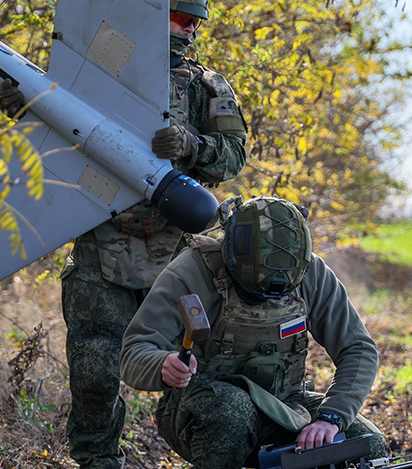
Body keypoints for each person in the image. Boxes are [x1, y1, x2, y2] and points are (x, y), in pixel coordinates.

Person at [0, 0, 248, 469]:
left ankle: (211, 451)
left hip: (176, 257)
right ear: (152, 13)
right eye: (179, 18)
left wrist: (193, 145)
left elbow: (233, 155)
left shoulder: (205, 86)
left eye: (194, 22)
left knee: (202, 367)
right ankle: (98, 460)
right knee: (93, 370)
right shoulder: (97, 69)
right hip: (101, 247)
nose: (189, 30)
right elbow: (60, 130)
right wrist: (24, 111)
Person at [120, 196, 391, 469]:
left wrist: (331, 418)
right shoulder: (192, 271)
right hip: (200, 408)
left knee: (367, 444)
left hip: (285, 405)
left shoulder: (311, 271)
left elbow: (358, 348)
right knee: (231, 412)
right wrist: (163, 365)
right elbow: (135, 348)